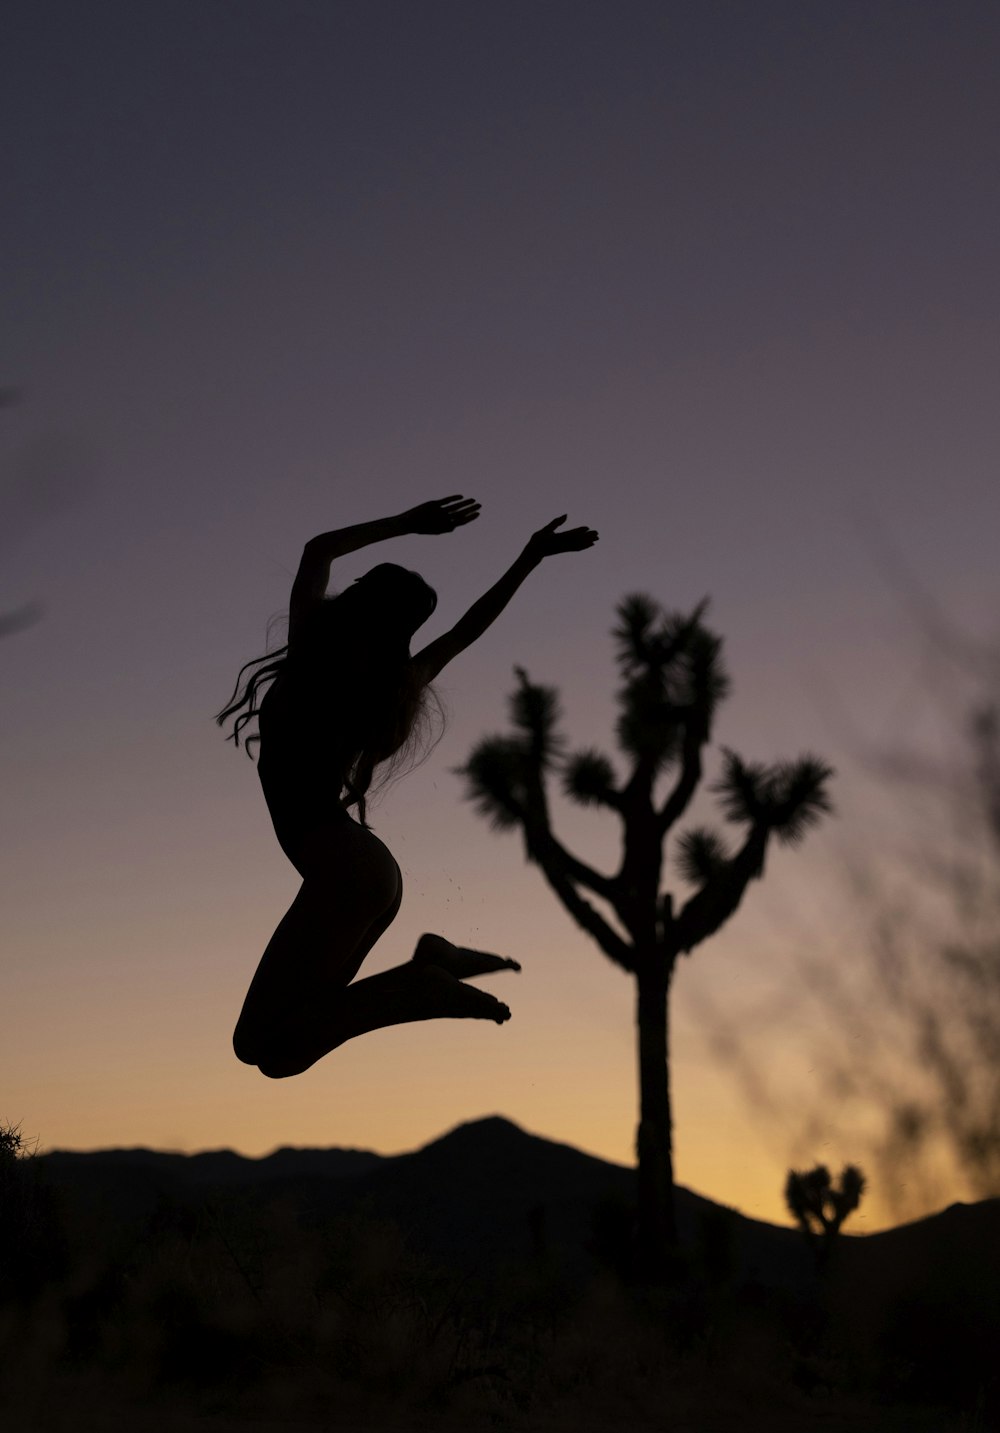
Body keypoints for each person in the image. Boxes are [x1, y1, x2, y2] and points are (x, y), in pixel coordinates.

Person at [216, 496, 598, 1078]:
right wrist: (528, 559)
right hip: (366, 874)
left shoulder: (313, 657)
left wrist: (405, 525)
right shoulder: (392, 686)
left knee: (259, 1044)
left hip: (344, 871)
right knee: (282, 1042)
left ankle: (422, 985)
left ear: (359, 598)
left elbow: (317, 551)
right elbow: (466, 631)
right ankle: (425, 969)